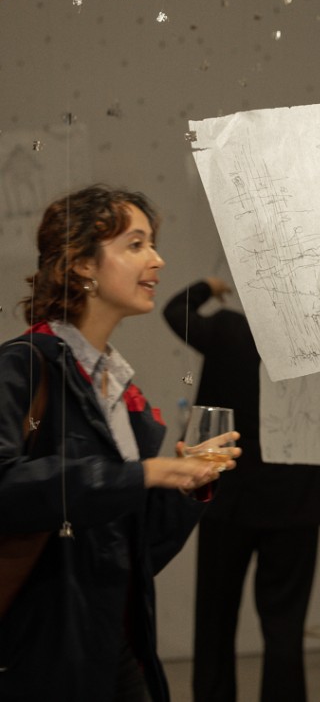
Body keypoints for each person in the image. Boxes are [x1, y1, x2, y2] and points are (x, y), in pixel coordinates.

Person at [0, 185, 239, 702]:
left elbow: (134, 549)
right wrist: (145, 474)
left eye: (152, 244)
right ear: (82, 263)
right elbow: (6, 488)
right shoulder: (22, 364)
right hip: (42, 652)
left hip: (113, 642)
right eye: (135, 245)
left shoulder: (119, 389)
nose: (158, 259)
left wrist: (188, 486)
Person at [163, 277, 320, 702]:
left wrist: (207, 286)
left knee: (215, 622)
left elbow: (175, 310)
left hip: (226, 492)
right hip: (296, 496)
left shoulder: (227, 328)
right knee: (285, 629)